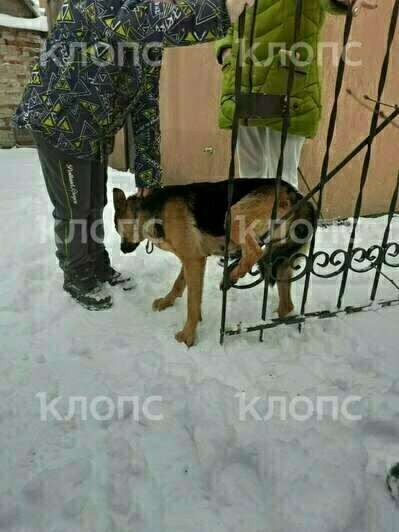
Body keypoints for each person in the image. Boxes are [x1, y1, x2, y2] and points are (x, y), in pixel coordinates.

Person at [11, 0, 253, 311]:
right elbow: (142, 21)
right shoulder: (100, 6)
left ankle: (96, 264)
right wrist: (222, 8)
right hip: (59, 122)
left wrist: (148, 176)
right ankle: (77, 274)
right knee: (75, 208)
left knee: (94, 202)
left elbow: (145, 108)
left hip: (94, 128)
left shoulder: (146, 36)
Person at [215, 0, 377, 188]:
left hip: (286, 81)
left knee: (283, 181)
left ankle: (286, 218)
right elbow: (222, 12)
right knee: (249, 178)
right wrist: (226, 51)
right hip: (241, 80)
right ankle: (253, 218)